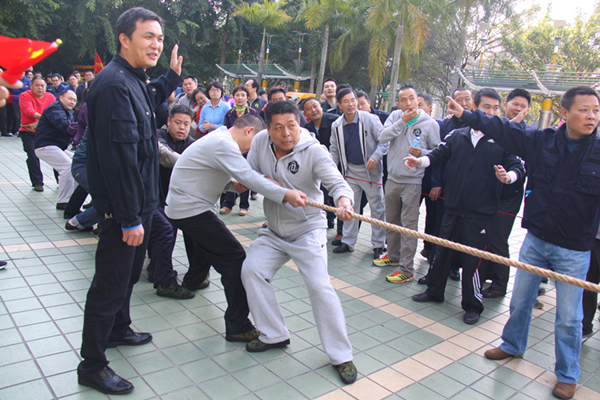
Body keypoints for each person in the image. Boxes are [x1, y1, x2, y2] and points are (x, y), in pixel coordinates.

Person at [445, 86, 600, 400]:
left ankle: (567, 374)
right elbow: (503, 128)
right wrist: (468, 115)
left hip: (574, 248)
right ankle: (512, 345)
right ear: (564, 113)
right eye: (584, 110)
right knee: (520, 301)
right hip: (536, 240)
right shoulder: (542, 141)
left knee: (569, 318)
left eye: (596, 111)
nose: (591, 116)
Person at [77, 7, 184, 395]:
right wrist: (127, 218)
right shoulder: (112, 85)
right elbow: (119, 159)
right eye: (148, 36)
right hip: (125, 209)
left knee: (126, 276)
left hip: (142, 203)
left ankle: (119, 328)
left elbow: (150, 101)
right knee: (109, 284)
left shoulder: (134, 79)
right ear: (124, 39)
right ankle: (92, 364)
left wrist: (171, 76)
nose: (156, 44)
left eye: (160, 38)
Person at [241, 100, 358, 385]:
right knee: (252, 271)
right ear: (268, 129)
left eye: (291, 126)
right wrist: (257, 183)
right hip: (273, 230)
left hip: (308, 230)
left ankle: (342, 355)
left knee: (319, 286)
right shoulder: (259, 143)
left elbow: (338, 184)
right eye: (278, 128)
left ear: (299, 124)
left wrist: (344, 202)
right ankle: (274, 334)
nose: (286, 134)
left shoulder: (314, 151)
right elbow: (247, 174)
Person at [165, 113, 307, 345]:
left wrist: (233, 184)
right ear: (249, 131)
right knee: (234, 258)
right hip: (191, 209)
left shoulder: (219, 139)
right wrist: (285, 194)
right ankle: (238, 326)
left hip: (184, 206)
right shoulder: (223, 144)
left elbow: (214, 175)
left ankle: (194, 280)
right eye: (254, 143)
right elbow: (250, 176)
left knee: (209, 245)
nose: (251, 150)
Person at [407, 88, 524, 326]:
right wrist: (419, 161)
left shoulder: (504, 139)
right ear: (475, 109)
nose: (491, 112)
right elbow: (438, 155)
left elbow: (518, 167)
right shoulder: (458, 135)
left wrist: (508, 177)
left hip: (481, 213)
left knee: (474, 261)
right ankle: (434, 291)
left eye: (495, 108)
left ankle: (472, 305)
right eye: (486, 107)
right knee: (441, 252)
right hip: (452, 207)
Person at [374, 86, 440, 285]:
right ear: (399, 103)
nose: (409, 103)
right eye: (404, 100)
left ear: (417, 100)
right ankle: (393, 256)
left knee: (409, 227)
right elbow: (381, 137)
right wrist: (401, 122)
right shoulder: (395, 116)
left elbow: (438, 152)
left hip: (412, 181)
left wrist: (422, 154)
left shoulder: (429, 123)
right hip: (392, 178)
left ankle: (407, 269)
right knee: (391, 221)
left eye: (412, 98)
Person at [420, 87, 475, 284]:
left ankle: (454, 267)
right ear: (451, 103)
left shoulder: (477, 125)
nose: (463, 103)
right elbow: (438, 154)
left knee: (461, 233)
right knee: (440, 228)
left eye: (467, 99)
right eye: (459, 99)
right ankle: (434, 269)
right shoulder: (446, 125)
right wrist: (436, 183)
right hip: (445, 187)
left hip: (468, 191)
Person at [481, 88, 531, 299]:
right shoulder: (497, 127)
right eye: (515, 104)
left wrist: (509, 177)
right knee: (485, 235)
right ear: (507, 105)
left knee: (498, 238)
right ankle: (484, 274)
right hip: (488, 192)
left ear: (527, 110)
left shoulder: (528, 135)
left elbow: (521, 167)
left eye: (523, 106)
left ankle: (500, 284)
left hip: (509, 195)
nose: (518, 108)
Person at [330, 87, 387, 259]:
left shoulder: (370, 119)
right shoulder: (336, 125)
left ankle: (379, 244)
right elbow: (334, 150)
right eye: (346, 101)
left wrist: (375, 157)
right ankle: (348, 242)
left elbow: (384, 141)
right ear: (339, 105)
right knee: (350, 208)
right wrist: (333, 172)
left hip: (371, 172)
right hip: (350, 172)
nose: (350, 104)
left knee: (377, 208)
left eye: (353, 100)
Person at [34, 89, 78, 209]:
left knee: (78, 164)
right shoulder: (55, 108)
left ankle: (73, 199)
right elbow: (63, 125)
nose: (72, 102)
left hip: (57, 147)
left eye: (75, 100)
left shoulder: (68, 111)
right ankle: (64, 201)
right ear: (61, 98)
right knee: (67, 166)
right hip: (45, 145)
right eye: (70, 98)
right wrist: (80, 127)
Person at [220, 85, 258, 216]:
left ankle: (244, 205)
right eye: (237, 95)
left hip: (247, 149)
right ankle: (228, 204)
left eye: (243, 95)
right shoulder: (229, 113)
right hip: (233, 149)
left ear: (247, 97)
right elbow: (226, 130)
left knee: (245, 176)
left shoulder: (252, 112)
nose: (240, 98)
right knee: (231, 175)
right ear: (233, 97)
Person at [303, 97, 339, 229]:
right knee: (322, 192)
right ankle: (327, 220)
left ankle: (338, 227)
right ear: (305, 114)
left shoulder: (335, 121)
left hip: (337, 164)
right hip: (317, 166)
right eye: (308, 109)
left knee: (336, 192)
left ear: (321, 106)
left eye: (315, 106)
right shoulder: (306, 129)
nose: (313, 110)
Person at [18, 76, 56, 192]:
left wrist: (41, 122)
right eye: (37, 85)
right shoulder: (25, 95)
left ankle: (61, 180)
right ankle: (37, 182)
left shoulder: (50, 97)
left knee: (56, 154)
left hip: (46, 132)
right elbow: (29, 111)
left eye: (42, 85)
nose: (40, 88)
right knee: (32, 155)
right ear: (31, 86)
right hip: (28, 131)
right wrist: (44, 119)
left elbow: (55, 113)